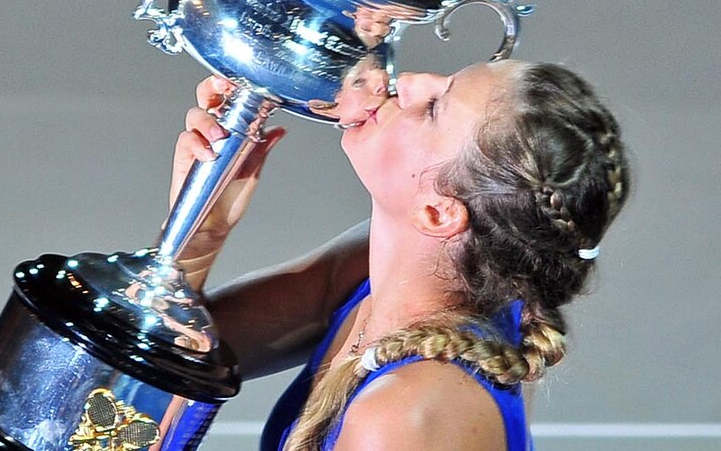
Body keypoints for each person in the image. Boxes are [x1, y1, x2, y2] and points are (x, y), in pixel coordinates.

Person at [169, 60, 630, 450]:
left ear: (436, 213)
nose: (408, 81)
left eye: (433, 108)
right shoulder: (380, 274)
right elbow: (174, 361)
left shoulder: (401, 417)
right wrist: (196, 238)